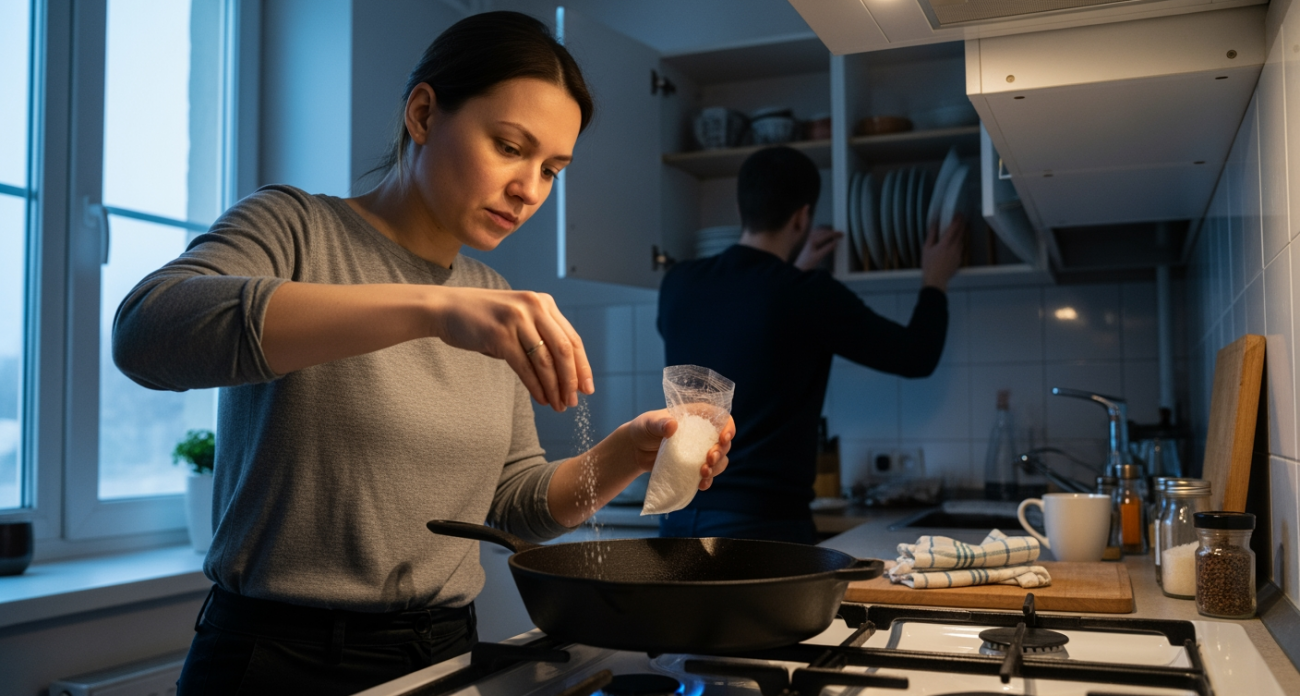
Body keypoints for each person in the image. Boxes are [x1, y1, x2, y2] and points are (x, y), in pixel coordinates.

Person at [111, 12, 733, 696]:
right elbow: (146, 335)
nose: (530, 189)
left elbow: (513, 504)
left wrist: (629, 452)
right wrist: (432, 309)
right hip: (272, 657)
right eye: (508, 146)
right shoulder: (296, 228)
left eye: (552, 169)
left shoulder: (491, 295)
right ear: (424, 113)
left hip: (441, 652)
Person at [656, 146, 963, 545]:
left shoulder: (678, 283)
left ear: (740, 205)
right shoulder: (809, 295)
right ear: (802, 216)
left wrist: (793, 271)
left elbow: (739, 331)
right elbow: (916, 355)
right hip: (759, 524)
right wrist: (935, 282)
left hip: (675, 513)